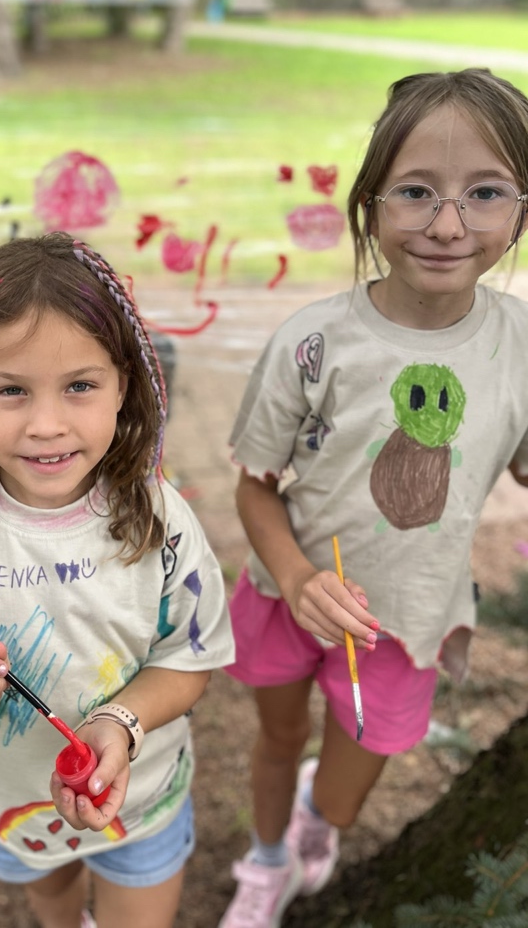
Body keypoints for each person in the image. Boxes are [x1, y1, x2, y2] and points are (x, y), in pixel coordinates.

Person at [0, 232, 235, 928]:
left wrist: (121, 719)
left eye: (80, 385)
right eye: (12, 390)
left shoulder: (159, 518)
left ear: (126, 383)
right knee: (51, 901)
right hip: (13, 805)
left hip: (140, 800)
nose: (47, 424)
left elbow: (189, 658)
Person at [218, 67, 528, 928]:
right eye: (417, 191)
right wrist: (295, 574)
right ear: (371, 202)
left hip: (407, 620)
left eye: (487, 192)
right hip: (290, 598)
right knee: (278, 740)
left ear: (523, 208)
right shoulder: (312, 341)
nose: (448, 223)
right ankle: (266, 860)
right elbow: (253, 484)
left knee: (348, 797)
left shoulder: (522, 348)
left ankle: (321, 819)